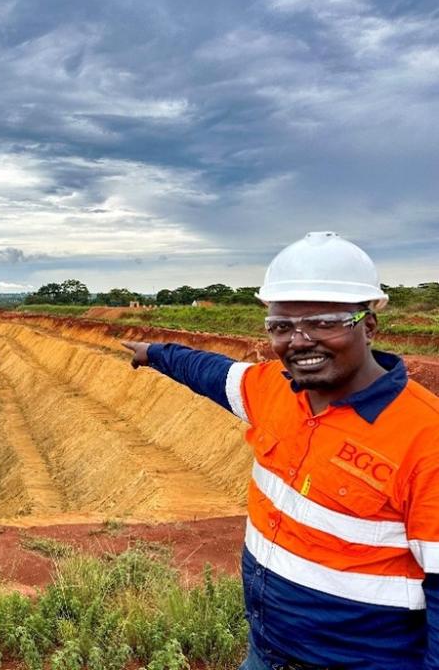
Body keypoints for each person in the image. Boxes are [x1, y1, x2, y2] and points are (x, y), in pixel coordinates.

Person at [123, 231, 439, 669]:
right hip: (266, 651)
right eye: (281, 326)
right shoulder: (274, 389)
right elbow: (213, 373)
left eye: (325, 322)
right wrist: (155, 353)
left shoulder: (425, 438)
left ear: (368, 326)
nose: (299, 340)